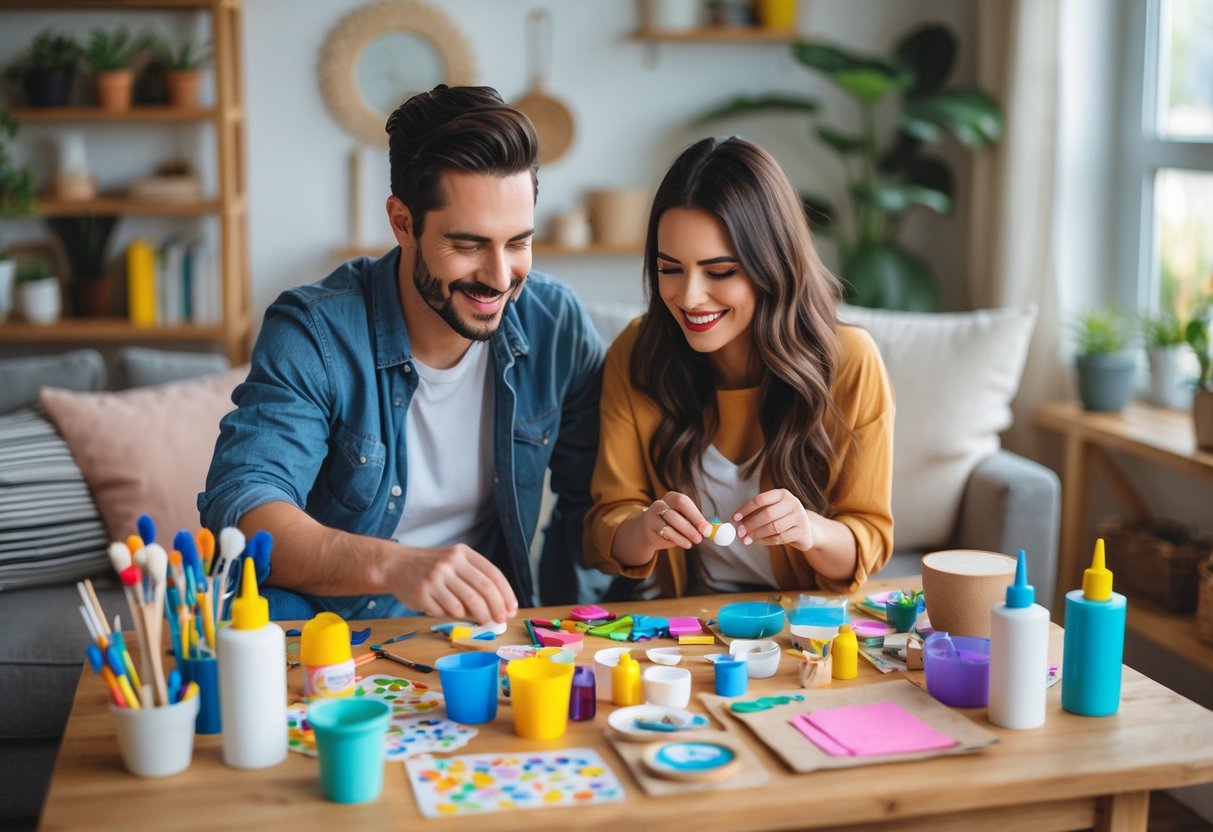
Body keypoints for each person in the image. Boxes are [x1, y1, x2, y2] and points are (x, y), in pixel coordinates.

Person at [200, 85, 604, 622]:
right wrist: (395, 566)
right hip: (336, 626)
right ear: (403, 222)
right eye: (468, 245)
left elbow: (593, 503)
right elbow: (244, 506)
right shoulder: (315, 332)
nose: (500, 278)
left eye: (517, 242)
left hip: (477, 635)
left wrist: (560, 632)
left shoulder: (556, 324)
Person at [584, 136, 894, 599]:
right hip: (683, 627)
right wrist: (646, 529)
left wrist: (808, 530)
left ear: (772, 265)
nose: (688, 297)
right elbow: (604, 530)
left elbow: (866, 540)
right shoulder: (638, 352)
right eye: (670, 268)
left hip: (798, 626)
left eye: (720, 271)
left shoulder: (849, 362)